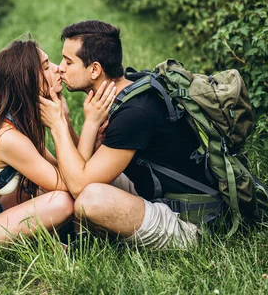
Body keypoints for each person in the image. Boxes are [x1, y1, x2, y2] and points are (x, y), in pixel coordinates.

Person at [0, 39, 112, 259]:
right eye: (46, 66)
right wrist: (87, 126)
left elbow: (65, 171)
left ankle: (49, 241)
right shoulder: (7, 137)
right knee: (61, 201)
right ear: (28, 82)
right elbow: (72, 186)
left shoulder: (15, 119)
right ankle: (43, 245)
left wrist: (64, 121)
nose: (58, 68)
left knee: (41, 189)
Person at [40, 20, 210, 249]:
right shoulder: (127, 91)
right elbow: (86, 166)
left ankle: (85, 241)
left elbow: (80, 187)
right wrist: (69, 121)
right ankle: (77, 235)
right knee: (56, 180)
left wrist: (58, 126)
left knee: (90, 200)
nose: (60, 67)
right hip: (153, 192)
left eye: (68, 61)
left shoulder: (133, 113)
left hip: (188, 220)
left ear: (94, 69)